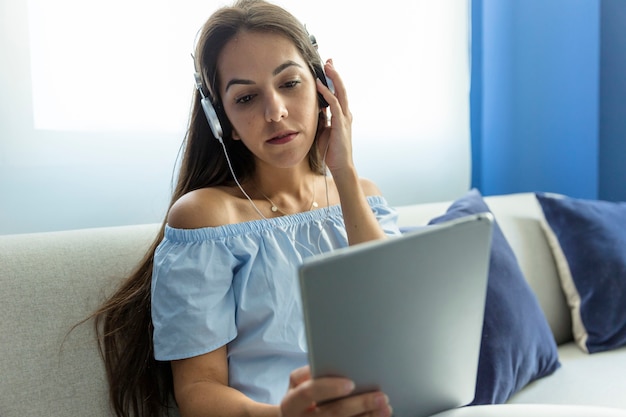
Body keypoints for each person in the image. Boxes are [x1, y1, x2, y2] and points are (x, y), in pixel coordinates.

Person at [91, 1, 401, 416]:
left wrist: (343, 172)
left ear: (322, 89)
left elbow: (396, 316)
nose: (275, 112)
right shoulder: (205, 217)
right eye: (247, 97)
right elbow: (199, 390)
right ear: (223, 122)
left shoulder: (360, 195)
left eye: (289, 83)